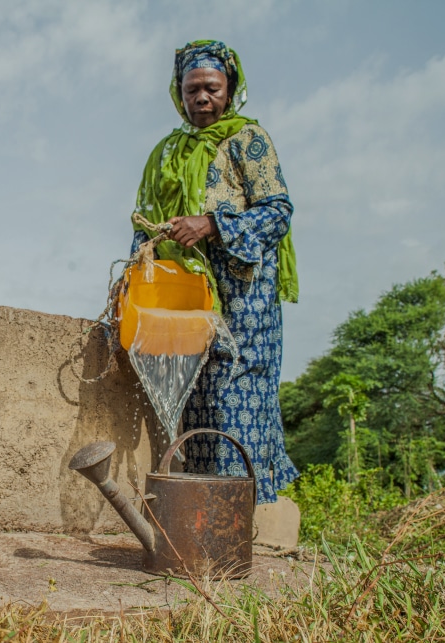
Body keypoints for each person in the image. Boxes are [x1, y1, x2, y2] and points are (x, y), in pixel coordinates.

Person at [129, 40, 299, 504]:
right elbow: (147, 220)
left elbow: (278, 211)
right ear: (178, 94)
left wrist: (212, 225)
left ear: (230, 90)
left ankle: (236, 516)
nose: (202, 98)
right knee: (195, 399)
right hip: (189, 297)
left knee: (234, 397)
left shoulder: (250, 140)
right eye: (192, 90)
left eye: (212, 88)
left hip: (245, 298)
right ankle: (200, 517)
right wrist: (133, 276)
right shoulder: (167, 153)